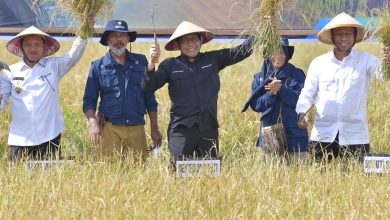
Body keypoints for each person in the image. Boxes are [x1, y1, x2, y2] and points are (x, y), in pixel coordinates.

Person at [142, 21, 255, 159]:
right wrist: (151, 63)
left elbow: (242, 51)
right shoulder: (170, 65)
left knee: (210, 171)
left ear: (201, 40)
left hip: (208, 128)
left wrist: (261, 30)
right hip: (181, 131)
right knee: (179, 172)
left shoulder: (213, 59)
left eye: (194, 39)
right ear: (178, 45)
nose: (190, 44)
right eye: (185, 40)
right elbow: (148, 87)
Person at [296, 12, 390, 162]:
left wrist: (387, 62)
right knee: (319, 180)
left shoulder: (365, 60)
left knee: (357, 180)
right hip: (323, 134)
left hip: (355, 135)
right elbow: (307, 93)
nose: (344, 38)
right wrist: (302, 113)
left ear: (354, 37)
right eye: (339, 34)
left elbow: (385, 75)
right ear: (332, 37)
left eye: (348, 34)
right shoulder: (319, 63)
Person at [0, 22, 91, 162]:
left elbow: (73, 56)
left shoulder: (53, 66)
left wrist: (84, 30)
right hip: (20, 138)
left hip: (49, 135)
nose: (33, 49)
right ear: (21, 48)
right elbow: (1, 101)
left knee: (48, 179)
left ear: (44, 48)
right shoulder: (9, 72)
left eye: (37, 45)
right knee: (20, 178)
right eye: (28, 45)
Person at [83, 20, 162, 161]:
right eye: (114, 35)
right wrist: (93, 124)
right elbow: (89, 100)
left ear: (128, 39)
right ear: (107, 39)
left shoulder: (142, 61)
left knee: (139, 175)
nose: (118, 40)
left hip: (137, 128)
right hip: (109, 129)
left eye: (123, 35)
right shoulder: (98, 66)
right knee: (110, 176)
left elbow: (149, 97)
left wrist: (154, 128)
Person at [242, 37, 309, 162]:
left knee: (299, 178)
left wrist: (281, 89)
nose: (278, 56)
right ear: (267, 54)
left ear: (287, 55)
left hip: (295, 136)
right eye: (273, 52)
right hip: (270, 136)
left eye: (282, 52)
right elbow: (256, 106)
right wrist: (271, 94)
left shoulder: (297, 74)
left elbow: (303, 101)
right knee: (272, 178)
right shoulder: (260, 78)